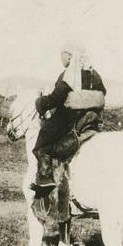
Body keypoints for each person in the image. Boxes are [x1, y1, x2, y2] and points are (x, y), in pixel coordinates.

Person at [32, 41, 106, 190]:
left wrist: (41, 102)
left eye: (62, 54)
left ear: (69, 56)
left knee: (41, 143)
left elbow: (56, 98)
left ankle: (45, 178)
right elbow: (103, 92)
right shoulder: (93, 73)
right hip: (92, 118)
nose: (61, 58)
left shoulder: (70, 74)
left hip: (71, 118)